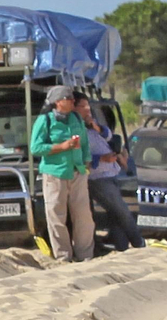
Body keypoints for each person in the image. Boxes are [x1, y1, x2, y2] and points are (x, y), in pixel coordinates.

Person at [74, 93, 144, 253]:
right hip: (97, 176)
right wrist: (102, 158)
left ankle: (122, 247)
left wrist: (96, 126)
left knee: (115, 214)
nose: (87, 109)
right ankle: (139, 242)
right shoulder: (75, 128)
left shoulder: (90, 125)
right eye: (83, 106)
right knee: (122, 211)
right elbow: (80, 155)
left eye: (88, 106)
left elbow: (109, 135)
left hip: (111, 173)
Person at [30, 85, 93, 261]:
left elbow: (85, 142)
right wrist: (61, 147)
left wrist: (87, 162)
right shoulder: (45, 121)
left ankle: (85, 255)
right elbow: (35, 147)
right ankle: (63, 255)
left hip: (77, 172)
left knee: (83, 217)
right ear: (58, 102)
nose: (73, 101)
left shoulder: (76, 119)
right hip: (55, 174)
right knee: (57, 215)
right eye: (69, 99)